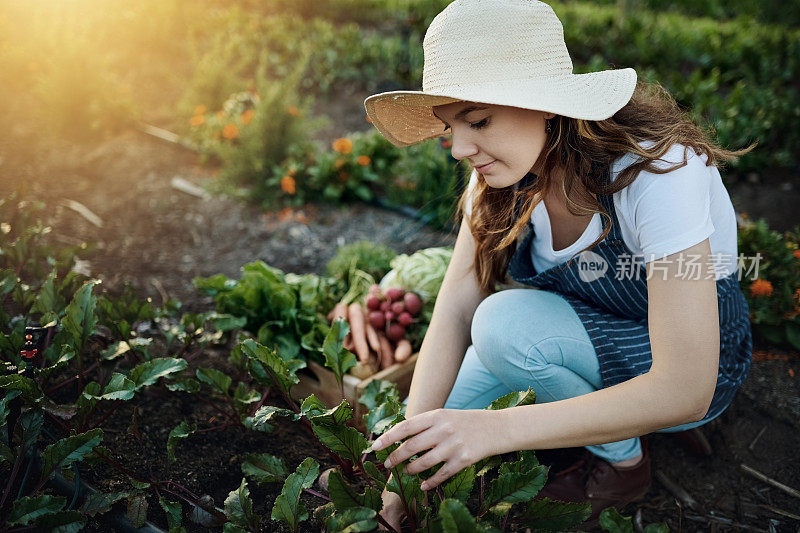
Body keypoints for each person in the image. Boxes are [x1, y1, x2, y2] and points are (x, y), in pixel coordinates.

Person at [347, 0, 754, 529]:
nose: (458, 149)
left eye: (479, 120)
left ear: (546, 105)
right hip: (583, 336)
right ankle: (613, 415)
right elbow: (453, 311)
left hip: (698, 361)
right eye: (451, 127)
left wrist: (497, 431)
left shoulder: (657, 174)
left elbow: (686, 386)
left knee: (499, 327)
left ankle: (624, 462)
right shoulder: (500, 177)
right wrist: (400, 473)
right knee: (430, 442)